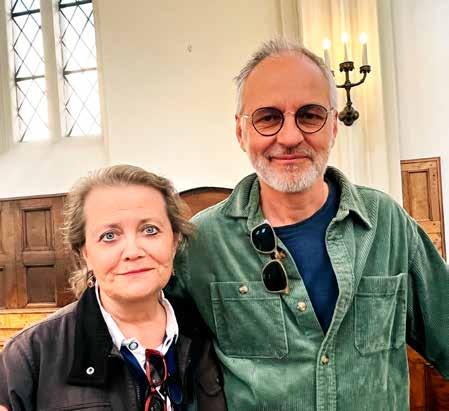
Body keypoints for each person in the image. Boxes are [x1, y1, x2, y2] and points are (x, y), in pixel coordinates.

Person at [169, 38, 449, 410]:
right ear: (240, 132)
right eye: (268, 117)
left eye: (310, 115)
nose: (289, 137)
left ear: (333, 126)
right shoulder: (203, 242)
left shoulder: (385, 223)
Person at [0, 165, 226, 411]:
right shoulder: (30, 355)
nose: (133, 252)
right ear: (85, 253)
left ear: (174, 241)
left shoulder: (208, 331)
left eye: (150, 230)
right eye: (109, 236)